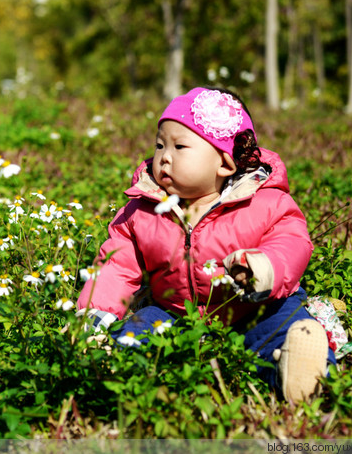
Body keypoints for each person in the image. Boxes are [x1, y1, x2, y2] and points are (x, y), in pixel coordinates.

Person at [77, 87, 336, 402]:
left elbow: (291, 241)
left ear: (225, 164)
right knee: (139, 330)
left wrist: (263, 268)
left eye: (180, 146)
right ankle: (113, 364)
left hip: (254, 310)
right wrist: (94, 315)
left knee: (286, 330)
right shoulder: (143, 210)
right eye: (160, 145)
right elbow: (116, 265)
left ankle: (301, 374)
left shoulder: (266, 202)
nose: (164, 157)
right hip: (175, 313)